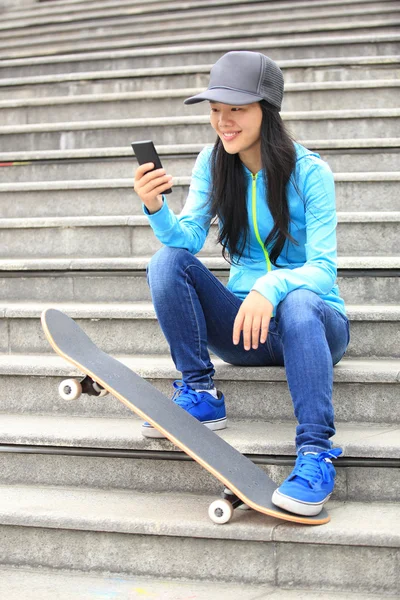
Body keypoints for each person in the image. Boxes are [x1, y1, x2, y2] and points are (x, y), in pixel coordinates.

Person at [133, 51, 350, 517]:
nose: (222, 121)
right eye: (215, 109)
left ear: (265, 110)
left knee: (298, 301)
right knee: (166, 262)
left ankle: (316, 453)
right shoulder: (213, 163)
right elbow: (187, 239)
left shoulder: (311, 173)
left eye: (236, 109)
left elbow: (324, 268)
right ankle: (202, 393)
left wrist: (270, 287)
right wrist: (155, 209)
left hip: (314, 323)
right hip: (246, 330)